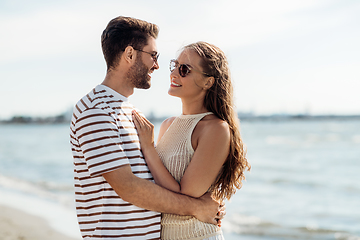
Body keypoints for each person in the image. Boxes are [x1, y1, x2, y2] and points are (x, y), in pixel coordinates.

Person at [69, 17, 224, 240]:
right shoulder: (96, 110)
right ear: (130, 54)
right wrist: (196, 208)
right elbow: (129, 187)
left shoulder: (131, 113)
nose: (157, 65)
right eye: (153, 55)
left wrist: (208, 206)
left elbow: (158, 181)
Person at [132, 41, 251, 239]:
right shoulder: (167, 125)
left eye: (184, 69)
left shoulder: (215, 128)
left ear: (208, 82)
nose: (174, 74)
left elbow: (186, 195)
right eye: (174, 66)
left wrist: (148, 147)